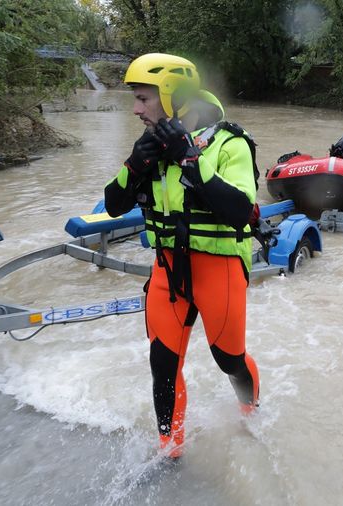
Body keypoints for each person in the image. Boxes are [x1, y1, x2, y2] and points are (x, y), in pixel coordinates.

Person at [104, 53, 260, 458]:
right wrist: (136, 162)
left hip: (219, 269)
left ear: (171, 96)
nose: (136, 109)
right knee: (163, 365)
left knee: (229, 361)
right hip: (168, 271)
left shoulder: (231, 143)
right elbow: (112, 204)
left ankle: (251, 411)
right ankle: (170, 451)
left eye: (143, 99)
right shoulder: (150, 144)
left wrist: (189, 160)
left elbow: (240, 210)